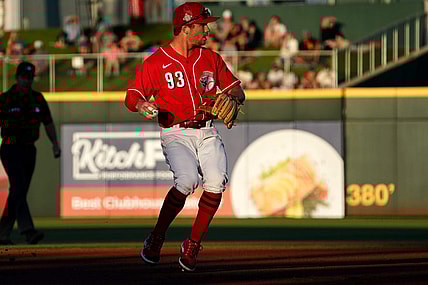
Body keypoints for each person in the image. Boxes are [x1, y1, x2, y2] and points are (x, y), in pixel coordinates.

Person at [124, 2, 245, 272]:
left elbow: (238, 90)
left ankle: (193, 244)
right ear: (186, 28)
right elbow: (132, 95)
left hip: (207, 130)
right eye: (203, 25)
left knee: (216, 182)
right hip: (175, 131)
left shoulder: (210, 58)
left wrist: (231, 97)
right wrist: (142, 105)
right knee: (188, 180)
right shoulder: (156, 62)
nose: (207, 29)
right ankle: (156, 237)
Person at [0, 62, 61, 245]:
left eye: (30, 78)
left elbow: (48, 123)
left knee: (19, 191)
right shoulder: (6, 99)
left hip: (29, 149)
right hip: (11, 148)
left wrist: (55, 144)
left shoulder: (38, 98)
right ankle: (28, 230)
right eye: (24, 77)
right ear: (17, 77)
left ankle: (3, 233)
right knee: (18, 187)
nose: (27, 81)